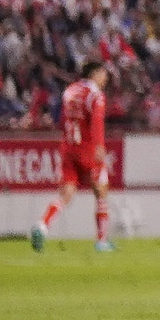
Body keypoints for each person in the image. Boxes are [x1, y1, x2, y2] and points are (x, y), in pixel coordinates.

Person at [32, 58, 113, 252]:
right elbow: (96, 121)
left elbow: (62, 119)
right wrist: (99, 146)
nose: (105, 78)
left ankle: (42, 226)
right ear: (95, 73)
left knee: (66, 193)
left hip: (68, 148)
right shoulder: (95, 95)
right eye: (104, 74)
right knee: (101, 191)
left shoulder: (70, 91)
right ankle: (101, 241)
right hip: (88, 148)